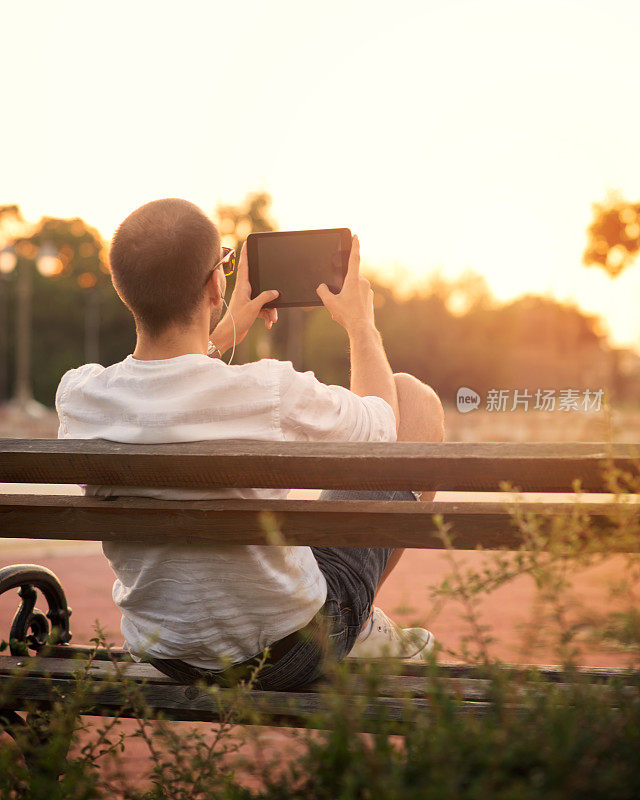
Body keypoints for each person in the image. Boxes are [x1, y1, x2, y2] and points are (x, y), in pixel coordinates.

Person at [55, 198, 445, 691]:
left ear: (123, 289)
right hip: (291, 652)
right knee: (414, 398)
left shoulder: (80, 396)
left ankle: (355, 621)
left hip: (170, 653)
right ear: (217, 285)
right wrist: (361, 324)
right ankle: (359, 623)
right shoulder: (268, 390)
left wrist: (221, 334)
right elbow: (383, 429)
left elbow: (165, 387)